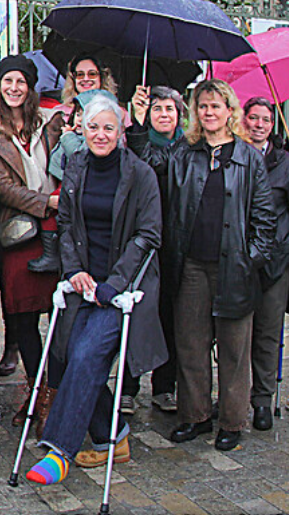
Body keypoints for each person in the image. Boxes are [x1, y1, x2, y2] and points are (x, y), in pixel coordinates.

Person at [128, 79, 274, 451]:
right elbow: (149, 162)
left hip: (235, 267)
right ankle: (195, 415)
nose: (209, 112)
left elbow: (264, 218)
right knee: (190, 344)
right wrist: (141, 123)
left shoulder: (248, 157)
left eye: (216, 106)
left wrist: (251, 258)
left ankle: (232, 419)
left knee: (233, 349)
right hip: (190, 265)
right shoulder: (184, 152)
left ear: (230, 110)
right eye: (203, 106)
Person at [26, 94, 163, 484]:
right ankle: (112, 435)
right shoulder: (77, 166)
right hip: (82, 281)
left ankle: (60, 451)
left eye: (108, 127)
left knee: (87, 354)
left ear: (121, 131)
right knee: (65, 354)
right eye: (92, 127)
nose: (100, 134)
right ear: (81, 130)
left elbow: (149, 235)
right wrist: (74, 272)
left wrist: (114, 284)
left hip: (121, 288)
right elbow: (66, 224)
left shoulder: (140, 174)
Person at [0, 55, 65, 424]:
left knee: (61, 316)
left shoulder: (51, 122)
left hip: (61, 229)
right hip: (19, 231)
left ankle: (61, 391)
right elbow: (3, 188)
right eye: (7, 81)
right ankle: (38, 390)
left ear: (31, 86)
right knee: (23, 316)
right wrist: (48, 202)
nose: (14, 88)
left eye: (21, 81)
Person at [122, 84, 186, 413]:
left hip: (178, 245)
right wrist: (137, 125)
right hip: (144, 241)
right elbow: (137, 167)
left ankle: (165, 386)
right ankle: (129, 386)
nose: (163, 115)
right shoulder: (138, 140)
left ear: (179, 114)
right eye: (158, 108)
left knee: (171, 317)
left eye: (169, 109)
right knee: (138, 313)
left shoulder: (190, 147)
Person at [242, 97, 289, 431]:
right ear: (244, 120)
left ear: (273, 125)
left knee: (268, 334)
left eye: (266, 120)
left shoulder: (285, 161)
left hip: (276, 260)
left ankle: (262, 399)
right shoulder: (236, 156)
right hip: (239, 260)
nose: (259, 125)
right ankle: (235, 396)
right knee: (236, 336)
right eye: (254, 118)